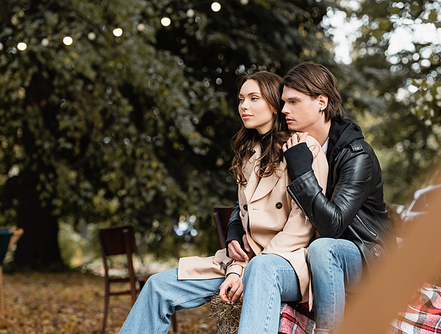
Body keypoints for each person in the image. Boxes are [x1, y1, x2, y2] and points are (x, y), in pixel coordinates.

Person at [118, 71, 328, 334]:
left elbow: (302, 228)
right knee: (158, 285)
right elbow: (244, 223)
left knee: (260, 272)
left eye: (254, 98)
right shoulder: (248, 155)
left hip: (288, 263)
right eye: (241, 99)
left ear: (275, 105)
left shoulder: (304, 148)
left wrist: (246, 269)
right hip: (244, 262)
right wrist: (238, 268)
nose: (244, 106)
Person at [226, 62, 396, 334]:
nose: (284, 110)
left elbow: (332, 225)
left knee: (323, 248)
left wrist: (302, 169)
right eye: (283, 102)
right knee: (285, 260)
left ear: (321, 102)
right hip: (313, 255)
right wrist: (234, 227)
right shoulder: (295, 144)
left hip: (366, 255)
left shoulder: (356, 154)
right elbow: (250, 198)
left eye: (293, 102)